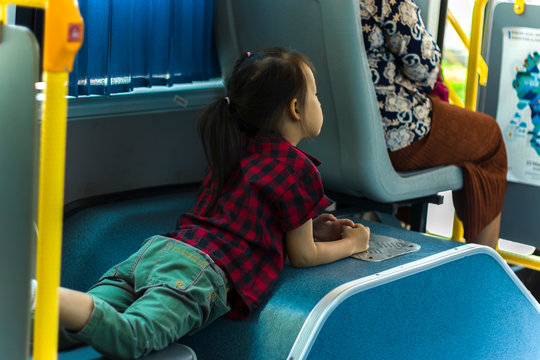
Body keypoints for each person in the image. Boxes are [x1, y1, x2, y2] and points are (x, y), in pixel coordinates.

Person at [37, 47, 370, 359]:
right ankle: (45, 294)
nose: (320, 103)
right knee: (132, 336)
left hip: (158, 251)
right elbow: (303, 255)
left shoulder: (234, 146)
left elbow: (251, 214)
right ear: (296, 108)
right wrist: (352, 244)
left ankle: (27, 305)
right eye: (316, 95)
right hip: (198, 272)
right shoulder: (299, 168)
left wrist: (316, 226)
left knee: (56, 332)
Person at [359, 0, 507, 248]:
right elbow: (425, 67)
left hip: (330, 134)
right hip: (395, 132)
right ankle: (484, 271)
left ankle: (385, 224)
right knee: (490, 138)